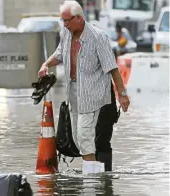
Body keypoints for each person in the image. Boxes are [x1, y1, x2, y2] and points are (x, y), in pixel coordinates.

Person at [38, 1, 130, 174]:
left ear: (79, 18)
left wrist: (122, 94)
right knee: (77, 139)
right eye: (62, 21)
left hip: (92, 93)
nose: (64, 24)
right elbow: (59, 54)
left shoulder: (97, 37)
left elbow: (112, 68)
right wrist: (46, 64)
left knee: (85, 136)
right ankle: (97, 175)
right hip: (73, 92)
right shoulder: (66, 33)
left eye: (67, 20)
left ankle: (92, 182)